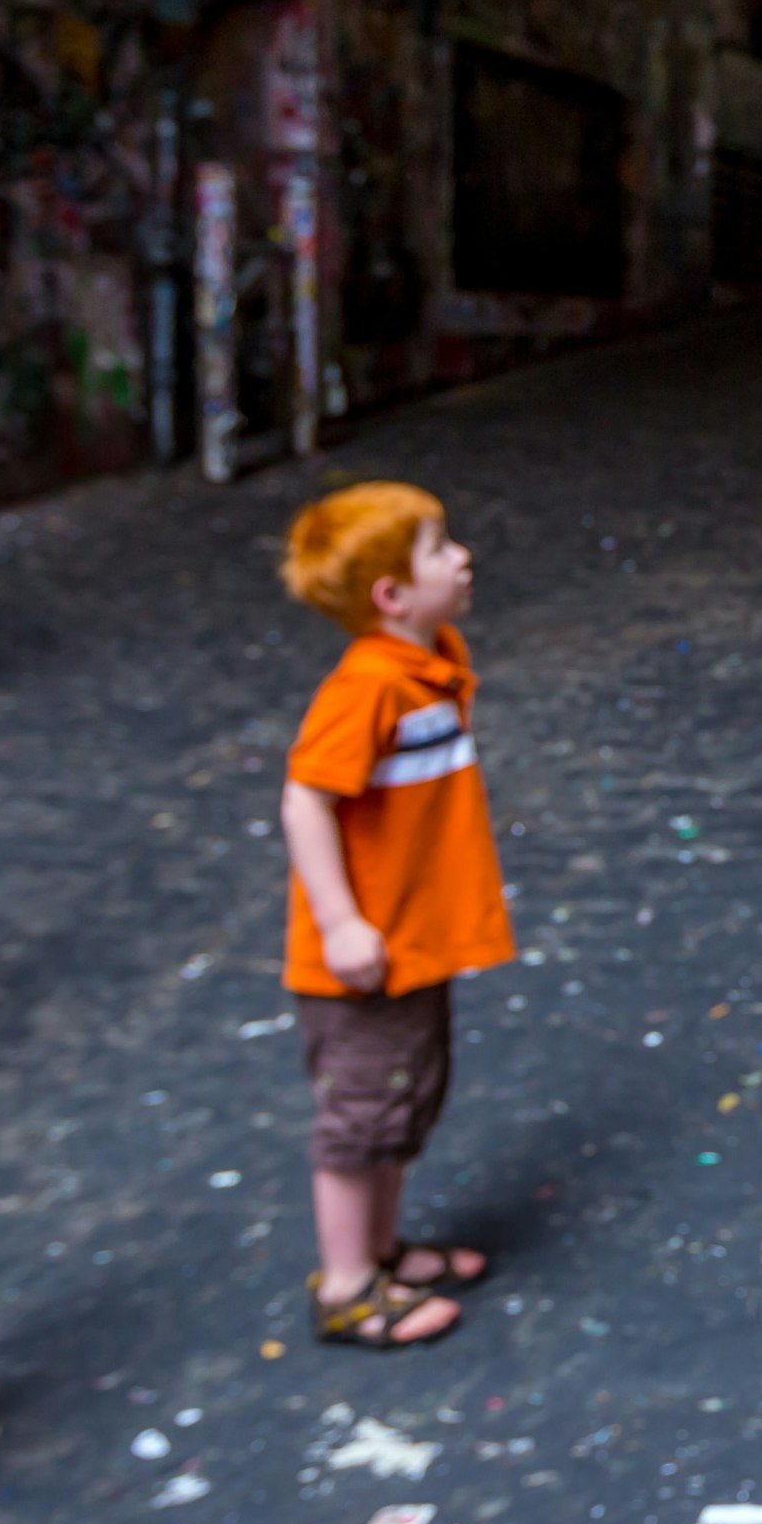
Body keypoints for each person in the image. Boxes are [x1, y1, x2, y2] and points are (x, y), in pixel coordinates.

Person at [276, 481, 511, 1351]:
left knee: (403, 1101)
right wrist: (342, 923)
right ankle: (345, 1287)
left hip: (414, 943)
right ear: (392, 595)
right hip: (367, 956)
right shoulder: (369, 688)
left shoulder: (428, 660)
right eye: (440, 547)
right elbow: (306, 800)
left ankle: (378, 1253)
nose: (462, 558)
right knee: (363, 1112)